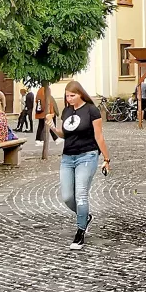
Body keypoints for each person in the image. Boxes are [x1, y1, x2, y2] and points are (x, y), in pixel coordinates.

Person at [58, 80, 107, 249]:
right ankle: (85, 216)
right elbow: (64, 134)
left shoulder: (91, 110)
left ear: (80, 94)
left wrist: (106, 159)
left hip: (87, 155)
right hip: (67, 157)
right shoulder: (66, 111)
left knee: (80, 195)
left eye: (72, 95)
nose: (69, 99)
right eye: (67, 96)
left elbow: (99, 135)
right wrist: (51, 126)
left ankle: (80, 232)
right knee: (67, 197)